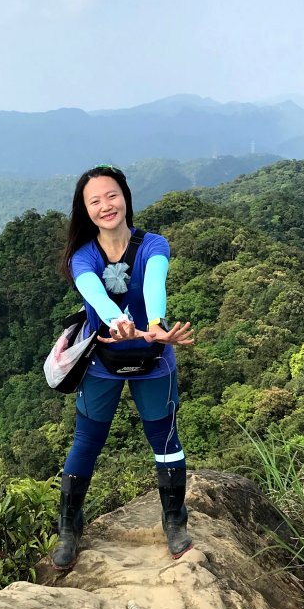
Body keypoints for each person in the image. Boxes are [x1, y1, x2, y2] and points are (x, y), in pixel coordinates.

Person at [51, 164, 194, 570]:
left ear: (126, 198)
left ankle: (174, 520)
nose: (105, 205)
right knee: (86, 441)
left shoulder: (153, 245)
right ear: (85, 210)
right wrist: (118, 322)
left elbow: (154, 283)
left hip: (153, 356)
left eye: (111, 195)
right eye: (94, 201)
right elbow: (94, 293)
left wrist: (154, 324)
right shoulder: (83, 256)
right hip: (101, 359)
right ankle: (68, 527)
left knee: (164, 438)